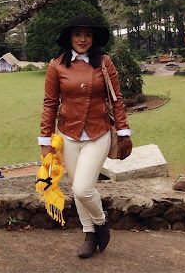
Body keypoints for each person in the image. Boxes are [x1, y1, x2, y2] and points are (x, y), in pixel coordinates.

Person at [39, 15, 132, 259]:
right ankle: (90, 234)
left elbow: (117, 99)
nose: (83, 39)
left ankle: (101, 223)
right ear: (69, 37)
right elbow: (50, 104)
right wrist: (45, 140)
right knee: (76, 186)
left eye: (88, 35)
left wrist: (123, 132)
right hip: (68, 134)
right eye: (78, 34)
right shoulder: (56, 65)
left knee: (82, 188)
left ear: (94, 38)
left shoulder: (104, 63)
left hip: (97, 133)